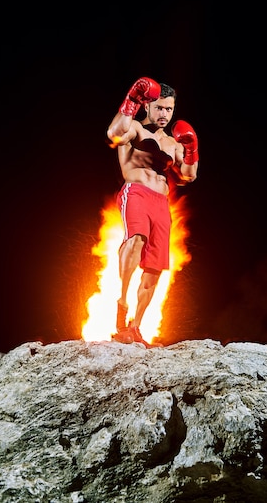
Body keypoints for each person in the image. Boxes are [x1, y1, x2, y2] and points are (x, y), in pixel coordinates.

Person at [106, 77, 199, 347]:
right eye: (159, 108)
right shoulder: (134, 128)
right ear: (148, 106)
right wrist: (132, 98)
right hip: (135, 192)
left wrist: (192, 148)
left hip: (161, 204)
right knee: (135, 239)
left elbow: (188, 176)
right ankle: (121, 303)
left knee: (155, 269)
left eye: (169, 109)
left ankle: (135, 328)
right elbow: (113, 133)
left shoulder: (172, 143)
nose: (164, 114)